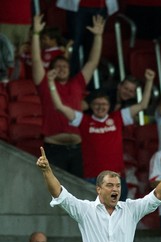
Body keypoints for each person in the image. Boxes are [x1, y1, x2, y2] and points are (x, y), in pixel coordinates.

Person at [47, 68, 155, 199]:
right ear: (91, 106)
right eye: (96, 104)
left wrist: (149, 81)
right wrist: (51, 82)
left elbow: (143, 105)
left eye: (104, 104)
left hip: (116, 180)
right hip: (93, 181)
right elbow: (59, 107)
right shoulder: (83, 120)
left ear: (109, 106)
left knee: (119, 219)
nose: (100, 107)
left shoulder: (118, 117)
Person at [31, 14, 105, 178]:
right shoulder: (45, 84)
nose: (62, 68)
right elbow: (36, 60)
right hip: (54, 148)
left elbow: (92, 62)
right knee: (56, 196)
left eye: (65, 65)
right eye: (58, 66)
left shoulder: (77, 83)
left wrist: (98, 36)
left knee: (78, 197)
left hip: (78, 149)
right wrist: (36, 34)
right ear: (51, 69)